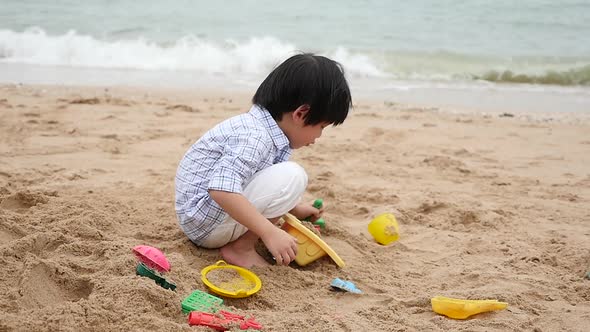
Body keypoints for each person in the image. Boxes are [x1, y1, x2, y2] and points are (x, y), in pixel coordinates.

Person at [175, 53, 352, 268]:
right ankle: (241, 248)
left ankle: (245, 241)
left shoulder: (266, 131)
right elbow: (221, 189)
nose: (318, 137)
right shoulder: (256, 136)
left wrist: (294, 208)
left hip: (204, 220)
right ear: (301, 114)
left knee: (288, 175)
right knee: (294, 175)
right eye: (321, 127)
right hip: (207, 224)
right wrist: (269, 231)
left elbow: (255, 179)